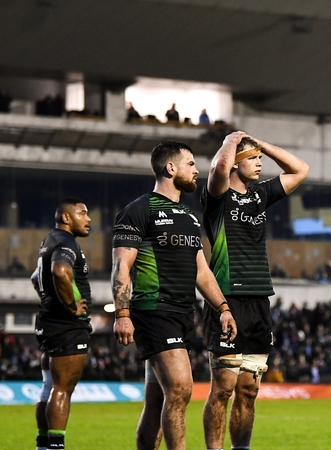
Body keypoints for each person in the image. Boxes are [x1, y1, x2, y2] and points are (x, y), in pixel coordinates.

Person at [111, 141, 238, 450]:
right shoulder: (139, 210)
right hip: (153, 310)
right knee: (180, 389)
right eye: (190, 164)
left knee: (157, 401)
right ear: (171, 168)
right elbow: (121, 267)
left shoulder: (189, 216)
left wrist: (222, 307)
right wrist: (123, 314)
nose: (196, 170)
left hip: (182, 314)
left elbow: (201, 270)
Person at [201, 131, 309, 450]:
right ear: (236, 163)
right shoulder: (217, 197)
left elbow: (299, 170)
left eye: (260, 159)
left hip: (259, 298)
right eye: (253, 159)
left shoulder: (259, 194)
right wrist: (232, 141)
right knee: (223, 387)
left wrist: (262, 146)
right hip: (226, 298)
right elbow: (219, 168)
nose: (260, 163)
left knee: (249, 388)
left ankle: (241, 449)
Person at [31, 198, 92, 450]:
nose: (88, 218)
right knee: (63, 389)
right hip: (66, 325)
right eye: (82, 213)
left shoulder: (49, 240)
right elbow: (60, 272)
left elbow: (36, 278)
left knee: (49, 386)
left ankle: (43, 446)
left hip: (49, 321)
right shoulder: (66, 242)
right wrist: (71, 306)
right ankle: (56, 447)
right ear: (66, 218)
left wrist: (49, 301)